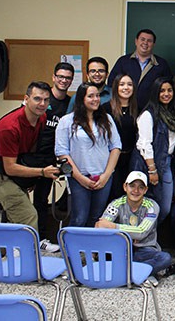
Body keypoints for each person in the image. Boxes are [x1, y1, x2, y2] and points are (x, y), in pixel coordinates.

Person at [0, 82, 60, 250]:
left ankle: (7, 253)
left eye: (46, 100)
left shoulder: (42, 118)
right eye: (37, 99)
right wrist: (41, 172)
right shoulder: (9, 127)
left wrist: (28, 176)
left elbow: (29, 149)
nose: (42, 104)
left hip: (12, 169)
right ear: (26, 99)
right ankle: (27, 258)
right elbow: (10, 168)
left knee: (15, 214)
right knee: (28, 215)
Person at [55, 82, 121, 227]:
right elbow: (62, 153)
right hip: (78, 177)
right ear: (81, 99)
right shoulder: (66, 121)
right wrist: (80, 178)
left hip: (103, 178)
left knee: (97, 218)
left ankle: (92, 249)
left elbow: (116, 147)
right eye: (90, 96)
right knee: (79, 218)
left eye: (97, 96)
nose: (96, 99)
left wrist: (106, 176)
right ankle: (73, 249)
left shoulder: (107, 119)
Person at [96, 171, 172, 281]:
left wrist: (114, 227)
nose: (136, 191)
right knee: (104, 254)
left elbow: (141, 232)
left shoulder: (152, 206)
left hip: (145, 250)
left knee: (165, 258)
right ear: (125, 187)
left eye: (141, 187)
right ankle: (141, 273)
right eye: (132, 186)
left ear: (145, 190)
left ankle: (125, 273)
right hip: (122, 249)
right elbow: (101, 227)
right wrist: (131, 235)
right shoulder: (116, 204)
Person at [132, 77, 175, 222]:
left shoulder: (173, 113)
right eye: (162, 91)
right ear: (156, 93)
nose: (166, 94)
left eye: (169, 90)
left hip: (167, 163)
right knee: (147, 205)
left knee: (165, 207)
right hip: (149, 164)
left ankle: (149, 234)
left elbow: (173, 136)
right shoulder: (149, 115)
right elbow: (145, 144)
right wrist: (152, 170)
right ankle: (143, 238)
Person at [32, 62, 73, 243]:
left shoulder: (70, 103)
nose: (64, 80)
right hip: (31, 154)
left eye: (68, 78)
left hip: (51, 157)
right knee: (20, 199)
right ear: (54, 77)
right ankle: (17, 238)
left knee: (41, 199)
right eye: (60, 77)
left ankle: (41, 239)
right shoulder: (42, 98)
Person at [108, 28, 172, 111]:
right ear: (136, 41)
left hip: (152, 111)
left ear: (153, 44)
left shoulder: (162, 64)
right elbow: (111, 83)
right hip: (125, 110)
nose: (145, 43)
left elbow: (168, 87)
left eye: (149, 41)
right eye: (142, 39)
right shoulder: (123, 61)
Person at [102, 73, 138, 201]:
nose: (126, 88)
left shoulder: (137, 108)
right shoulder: (106, 108)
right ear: (116, 87)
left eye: (129, 84)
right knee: (114, 194)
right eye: (122, 84)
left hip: (131, 158)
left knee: (129, 194)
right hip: (111, 158)